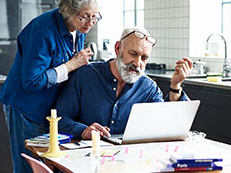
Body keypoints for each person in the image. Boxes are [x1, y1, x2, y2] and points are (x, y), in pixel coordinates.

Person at [0, 0, 100, 173]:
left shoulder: (79, 29)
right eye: (85, 16)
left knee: (50, 166)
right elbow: (32, 81)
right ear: (68, 9)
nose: (90, 22)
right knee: (29, 167)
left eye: (95, 16)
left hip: (50, 111)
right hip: (26, 107)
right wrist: (71, 65)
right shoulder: (42, 30)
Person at [56, 27, 193, 139]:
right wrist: (83, 130)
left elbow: (165, 125)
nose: (138, 63)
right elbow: (59, 119)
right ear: (117, 48)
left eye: (144, 58)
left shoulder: (148, 88)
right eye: (133, 53)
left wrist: (175, 86)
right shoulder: (85, 76)